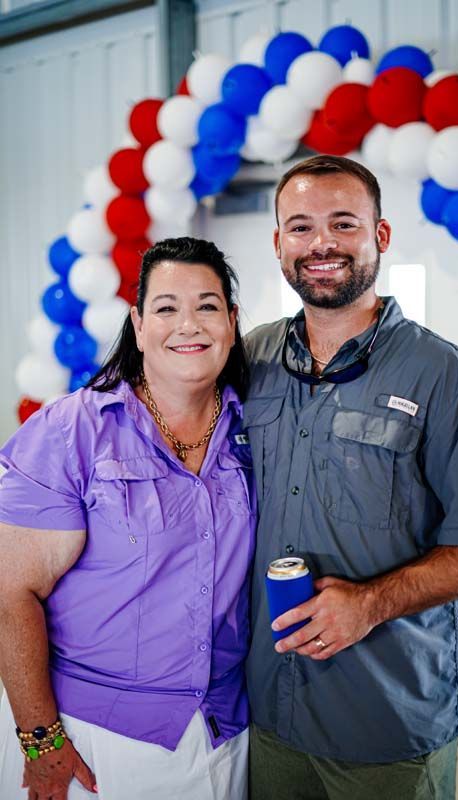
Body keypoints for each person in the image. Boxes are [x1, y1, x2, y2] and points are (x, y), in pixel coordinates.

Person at [243, 155, 458, 800]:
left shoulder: (447, 376)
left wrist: (370, 603)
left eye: (343, 224)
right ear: (278, 244)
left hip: (385, 716)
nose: (321, 244)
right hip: (267, 704)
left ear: (381, 235)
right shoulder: (250, 358)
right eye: (301, 227)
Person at [0, 237, 256, 800]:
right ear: (138, 325)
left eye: (207, 306)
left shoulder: (253, 428)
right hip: (95, 738)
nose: (187, 324)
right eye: (166, 308)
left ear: (231, 322)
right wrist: (41, 741)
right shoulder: (71, 432)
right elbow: (10, 594)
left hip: (225, 730)